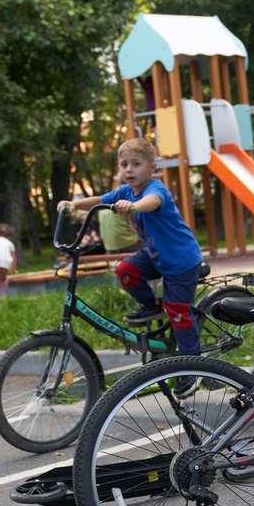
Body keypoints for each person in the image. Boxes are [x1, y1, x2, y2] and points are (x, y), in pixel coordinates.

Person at [58, 138, 204, 354]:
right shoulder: (125, 191)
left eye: (136, 164)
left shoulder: (156, 188)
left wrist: (134, 206)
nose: (129, 170)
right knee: (125, 270)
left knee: (177, 311)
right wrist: (73, 204)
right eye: (124, 165)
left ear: (151, 167)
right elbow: (99, 200)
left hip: (180, 260)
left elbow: (153, 201)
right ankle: (151, 305)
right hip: (156, 255)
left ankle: (193, 362)